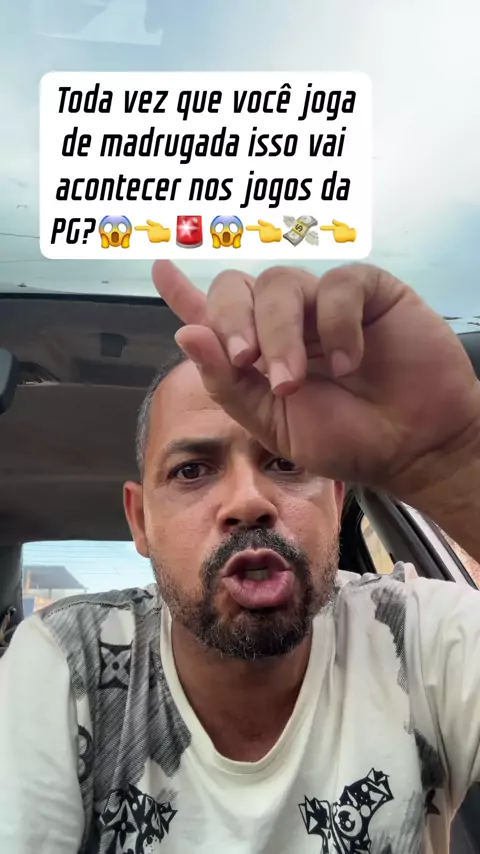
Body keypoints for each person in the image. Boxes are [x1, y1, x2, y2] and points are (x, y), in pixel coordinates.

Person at [1, 262, 480, 854]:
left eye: (285, 462)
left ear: (336, 501)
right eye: (192, 471)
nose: (248, 502)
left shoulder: (418, 637)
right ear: (140, 521)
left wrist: (458, 464)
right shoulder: (65, 661)